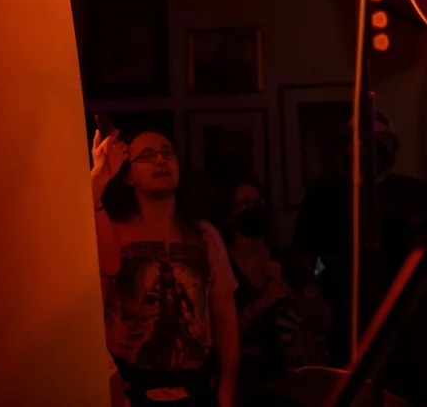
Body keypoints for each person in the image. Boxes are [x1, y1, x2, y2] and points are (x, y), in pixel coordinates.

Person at [99, 130, 239, 407]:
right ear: (128, 176)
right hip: (131, 385)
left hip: (197, 386)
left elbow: (224, 315)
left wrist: (227, 388)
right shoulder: (112, 233)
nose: (161, 160)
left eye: (167, 152)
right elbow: (95, 315)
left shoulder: (204, 235)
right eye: (147, 156)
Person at [292, 110, 427, 392]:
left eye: (383, 138)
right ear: (347, 147)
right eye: (365, 138)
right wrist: (312, 298)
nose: (375, 145)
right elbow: (300, 257)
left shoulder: (416, 194)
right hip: (345, 324)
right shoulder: (324, 195)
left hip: (407, 327)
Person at [223, 180, 328, 401]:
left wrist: (290, 292)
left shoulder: (288, 260)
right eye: (245, 203)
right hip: (244, 382)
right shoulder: (221, 264)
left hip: (291, 383)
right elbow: (219, 334)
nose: (253, 208)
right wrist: (262, 302)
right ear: (230, 215)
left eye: (258, 201)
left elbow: (324, 318)